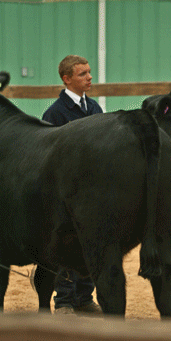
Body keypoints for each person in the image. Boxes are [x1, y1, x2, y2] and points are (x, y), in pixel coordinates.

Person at [40, 54, 104, 315]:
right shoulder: (55, 113)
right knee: (66, 244)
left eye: (89, 72)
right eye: (82, 74)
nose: (89, 77)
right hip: (65, 193)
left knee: (90, 244)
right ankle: (64, 300)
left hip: (91, 192)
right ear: (66, 79)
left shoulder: (95, 109)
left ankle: (84, 297)